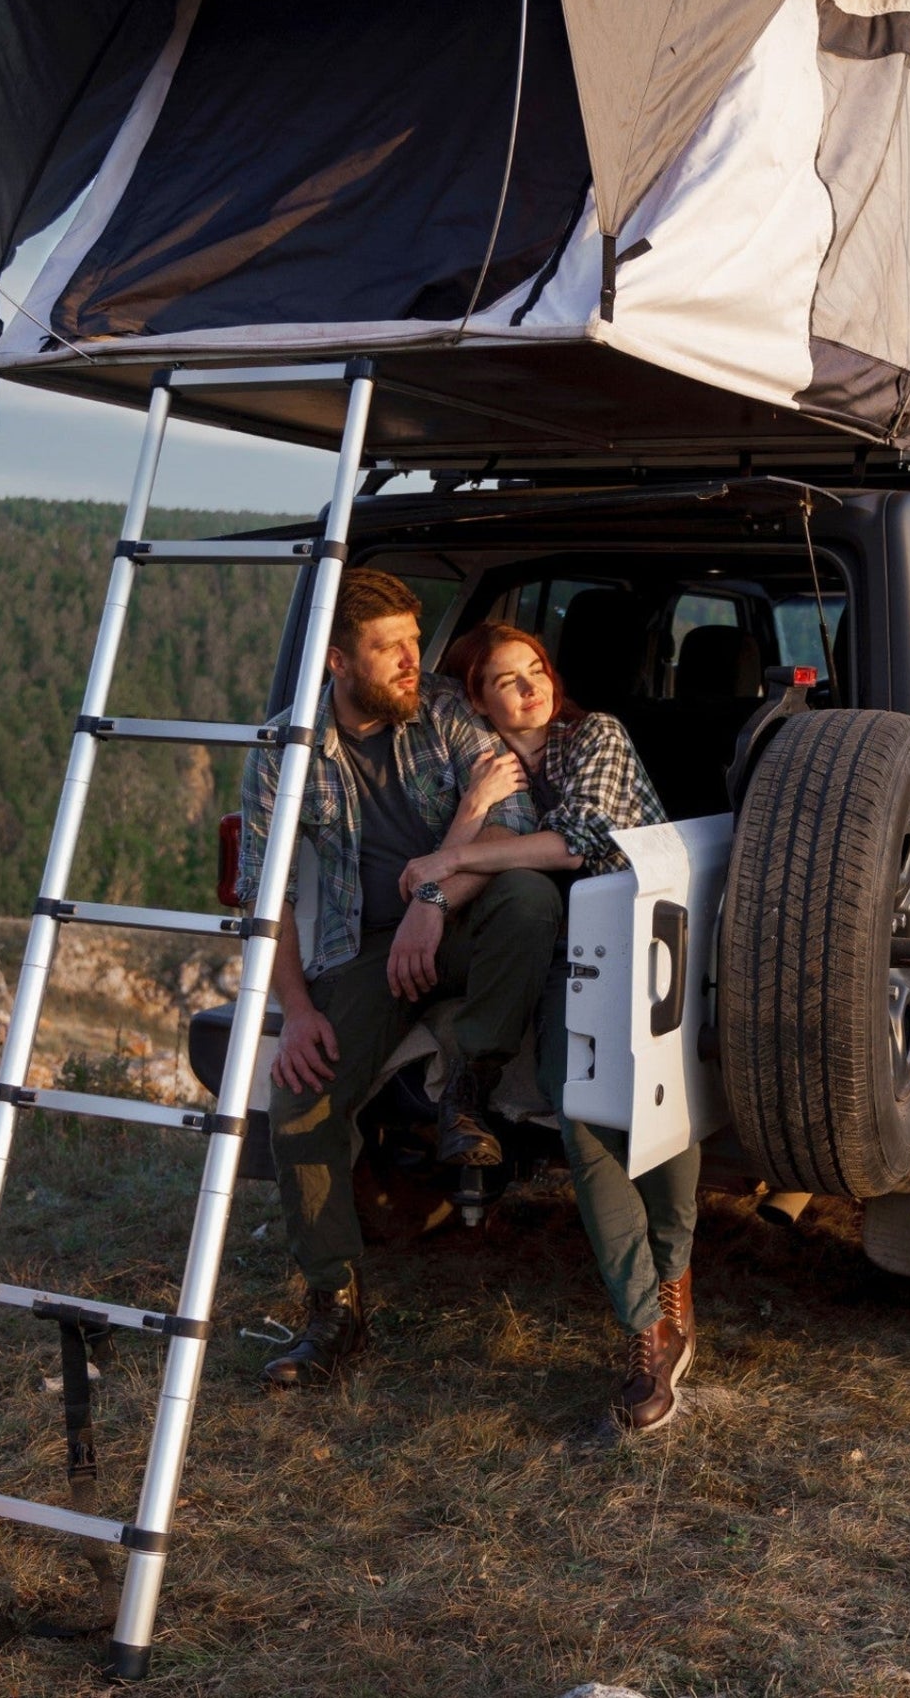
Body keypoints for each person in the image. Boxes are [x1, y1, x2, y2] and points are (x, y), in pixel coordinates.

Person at [238, 574, 562, 1388]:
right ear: (339, 663)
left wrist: (430, 897)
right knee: (301, 1095)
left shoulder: (446, 711)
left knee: (527, 899)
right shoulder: (286, 750)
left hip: (468, 920)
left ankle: (470, 1082)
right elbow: (263, 891)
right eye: (392, 649)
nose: (415, 662)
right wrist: (301, 1011)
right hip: (367, 947)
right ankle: (332, 1307)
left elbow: (513, 822)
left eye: (417, 642)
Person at [400, 623, 699, 1434]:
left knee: (660, 1106)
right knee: (581, 1116)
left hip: (649, 934)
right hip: (570, 956)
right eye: (505, 680)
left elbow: (581, 843)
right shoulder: (484, 768)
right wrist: (464, 828)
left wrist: (449, 863)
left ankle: (676, 1278)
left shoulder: (592, 735)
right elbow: (449, 865)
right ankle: (647, 1324)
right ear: (477, 699)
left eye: (536, 670)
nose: (531, 688)